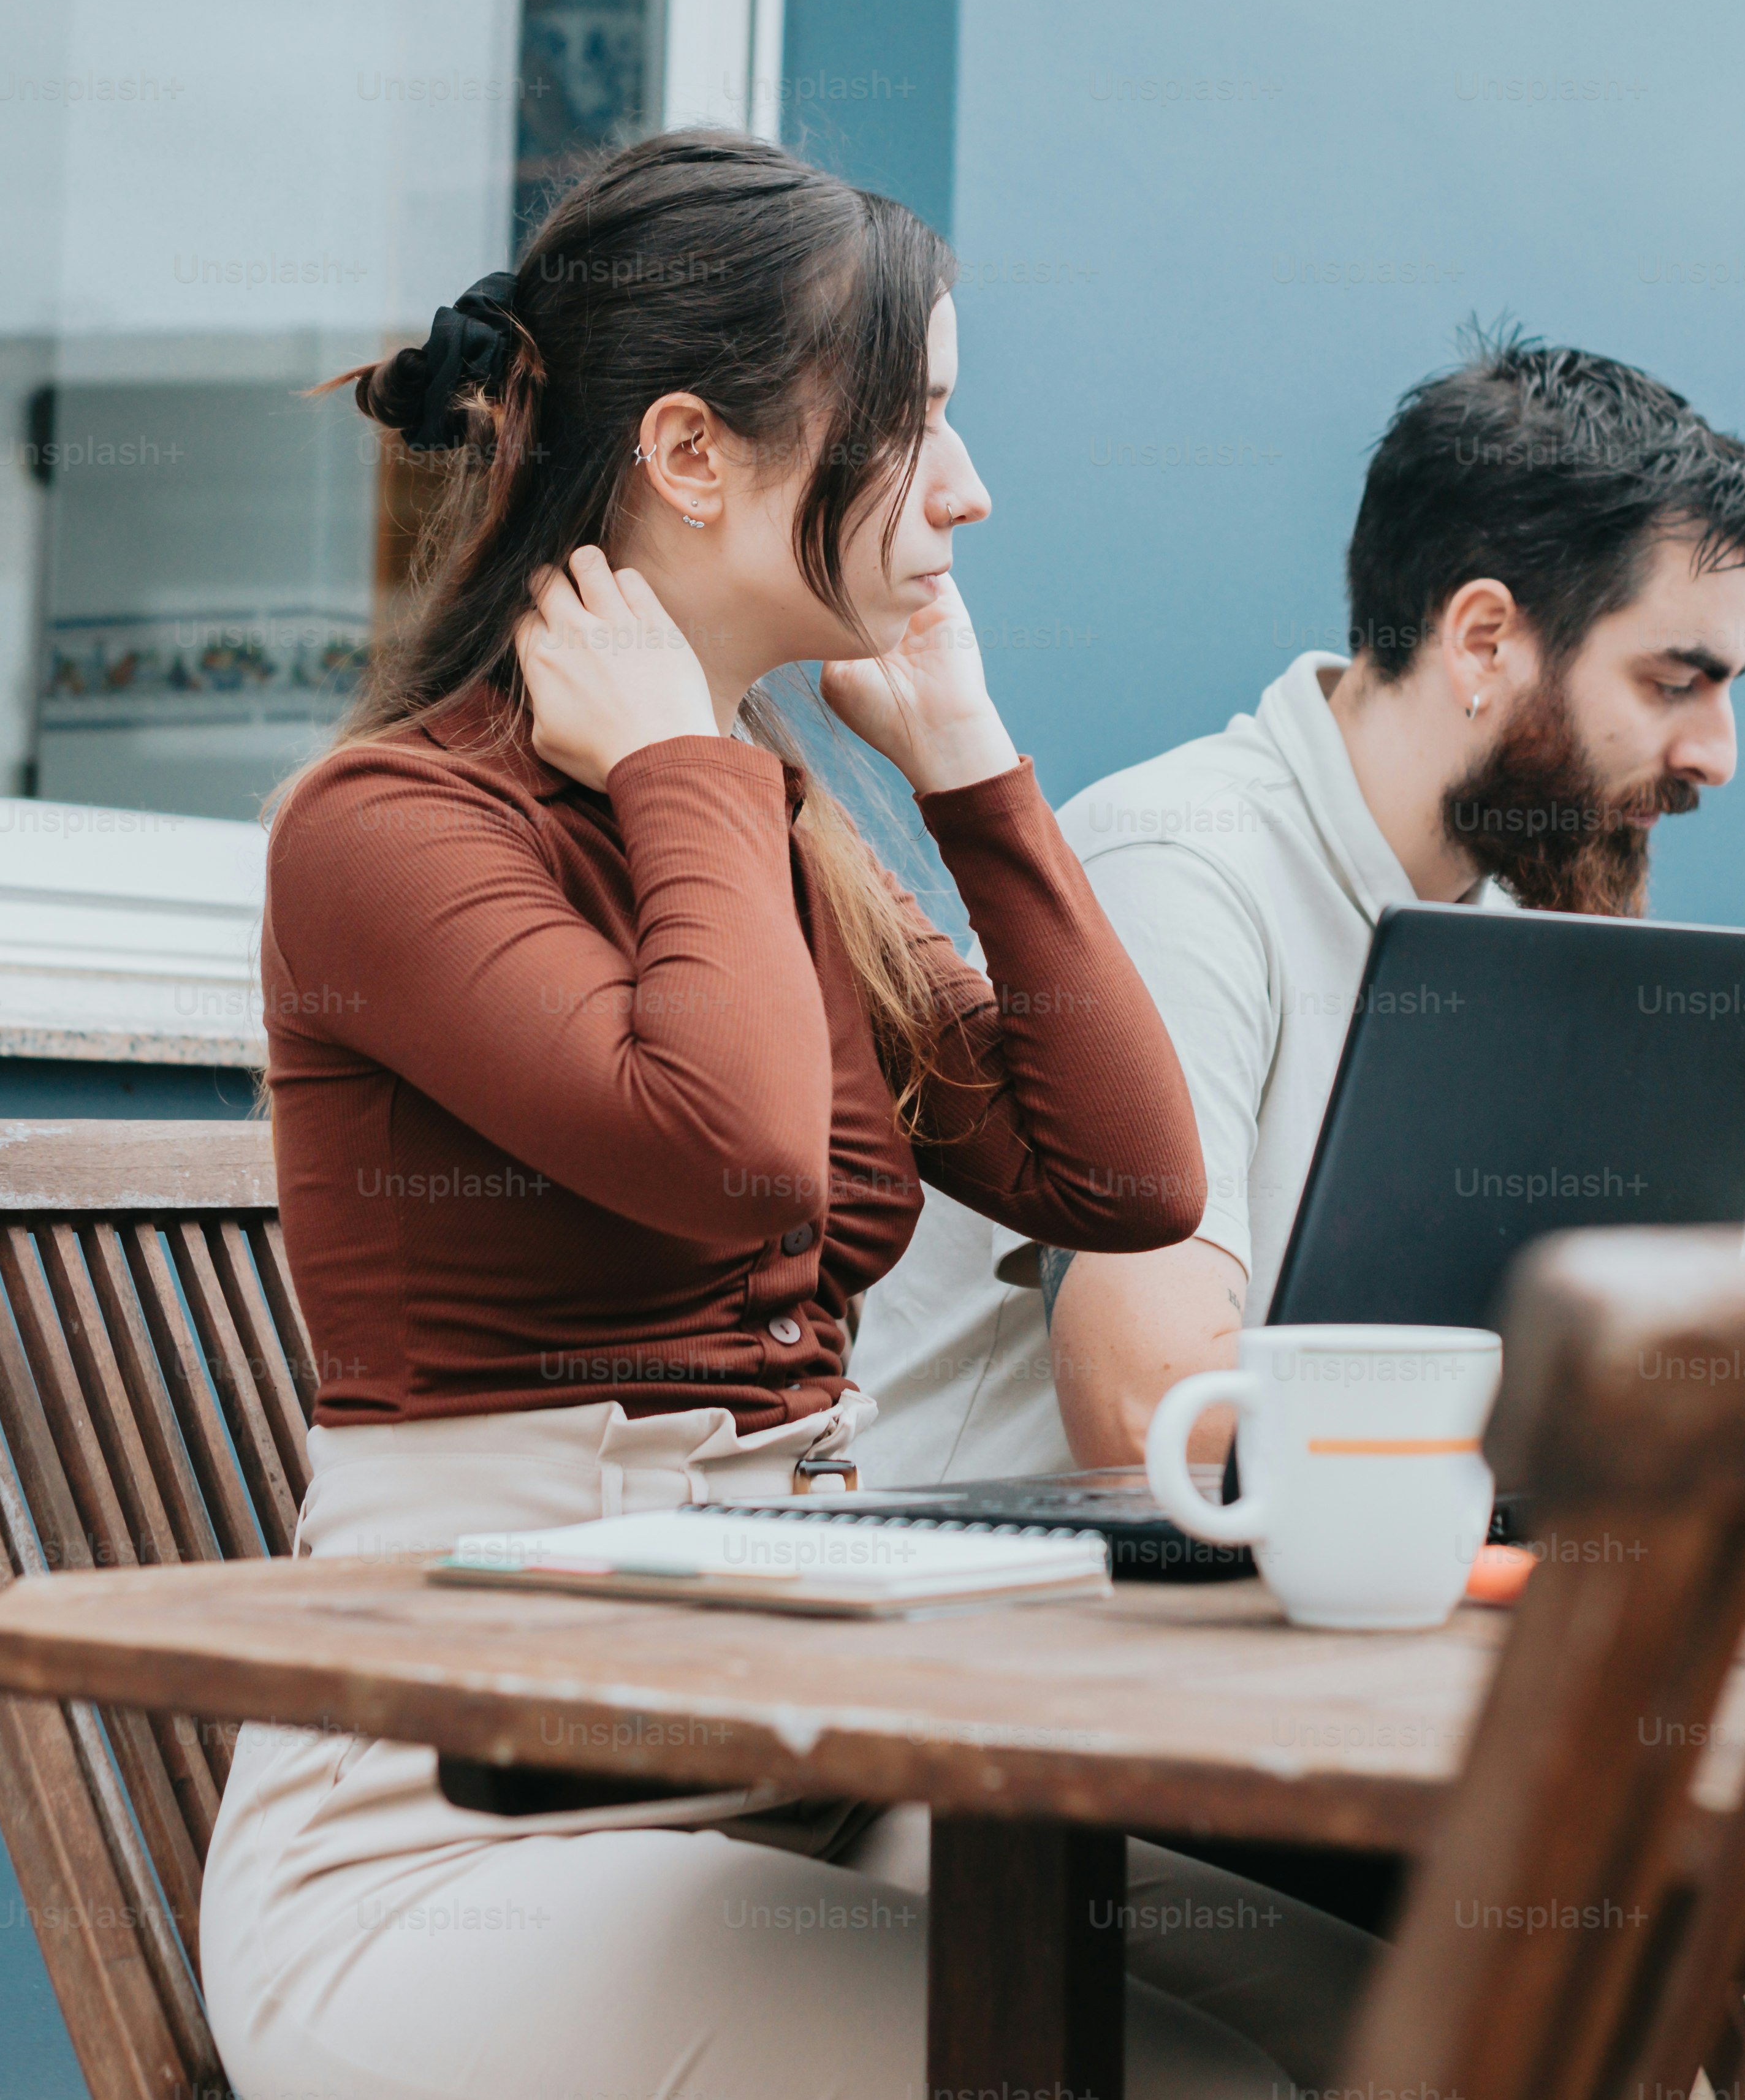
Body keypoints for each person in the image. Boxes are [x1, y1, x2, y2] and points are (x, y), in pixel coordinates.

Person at [201, 129, 1375, 2100]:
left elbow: (1125, 1177)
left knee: (1416, 2029)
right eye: (914, 425)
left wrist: (972, 767)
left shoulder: (769, 823)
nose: (971, 490)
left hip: (790, 1745)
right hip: (461, 1837)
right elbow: (728, 1153)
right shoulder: (395, 826)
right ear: (690, 454)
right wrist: (680, 755)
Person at [854, 332, 1745, 1486]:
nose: (1716, 756)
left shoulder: (1520, 921)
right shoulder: (1178, 865)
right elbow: (1151, 1409)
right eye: (1673, 683)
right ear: (1483, 639)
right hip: (1015, 1624)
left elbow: (1701, 1318)